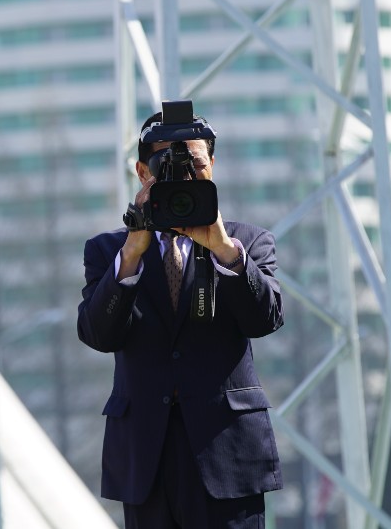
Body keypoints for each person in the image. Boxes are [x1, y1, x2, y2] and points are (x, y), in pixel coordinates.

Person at [77, 110, 285, 528]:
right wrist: (132, 251)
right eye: (166, 169)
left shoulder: (248, 242)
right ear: (141, 172)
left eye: (195, 166)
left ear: (213, 167)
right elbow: (98, 333)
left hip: (228, 458)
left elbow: (264, 319)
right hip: (144, 461)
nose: (183, 179)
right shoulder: (107, 252)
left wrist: (224, 250)